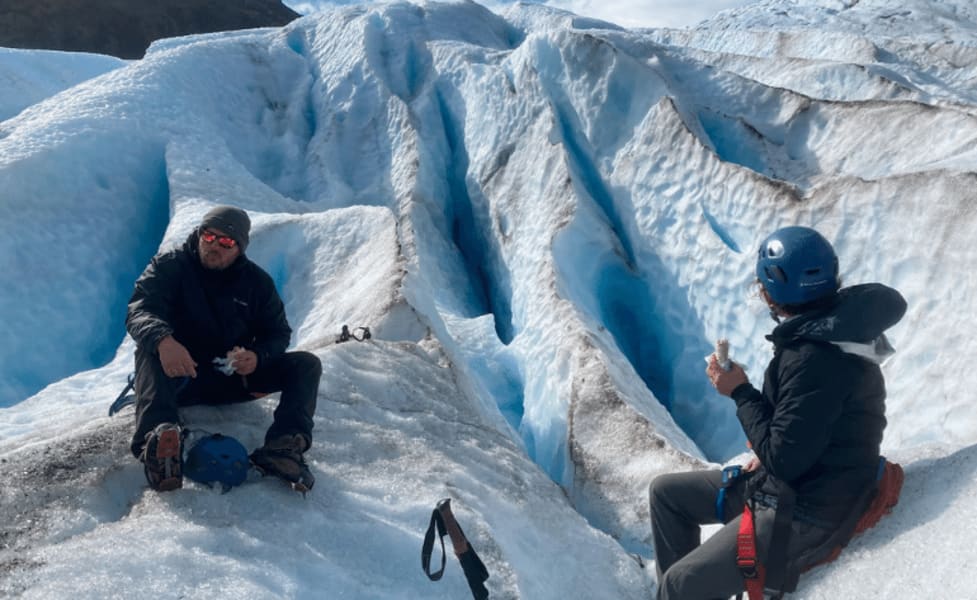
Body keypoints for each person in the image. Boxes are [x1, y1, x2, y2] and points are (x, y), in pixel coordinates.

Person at [648, 226, 906, 599]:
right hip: (798, 481)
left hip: (812, 507)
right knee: (666, 495)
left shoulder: (814, 358)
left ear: (774, 290)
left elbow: (784, 459)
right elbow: (800, 425)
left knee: (680, 582)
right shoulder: (828, 331)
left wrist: (739, 391)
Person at [126, 205, 322, 492]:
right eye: (209, 236)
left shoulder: (256, 283)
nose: (214, 245)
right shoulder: (169, 267)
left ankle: (284, 447)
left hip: (233, 378)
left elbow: (278, 333)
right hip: (179, 377)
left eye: (226, 241)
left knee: (306, 364)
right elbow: (139, 310)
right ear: (200, 234)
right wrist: (164, 340)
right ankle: (158, 442)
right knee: (150, 348)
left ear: (239, 247)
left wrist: (258, 356)